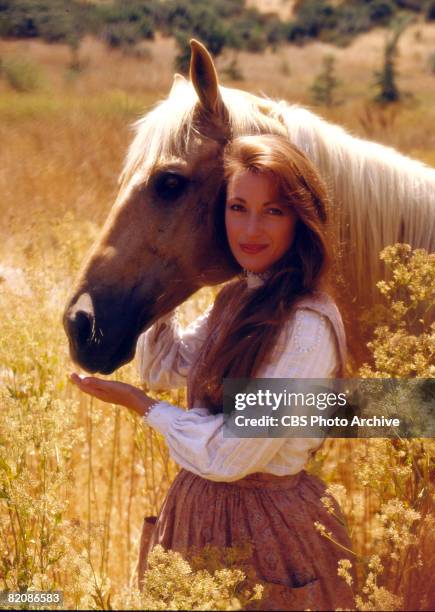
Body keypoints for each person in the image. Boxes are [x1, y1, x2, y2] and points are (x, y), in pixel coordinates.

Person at [70, 134, 355, 611]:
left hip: (270, 534)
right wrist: (167, 279)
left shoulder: (306, 325)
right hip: (197, 515)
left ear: (301, 222)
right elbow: (166, 365)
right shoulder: (238, 297)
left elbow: (230, 457)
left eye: (274, 212)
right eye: (238, 207)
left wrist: (141, 406)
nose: (250, 229)